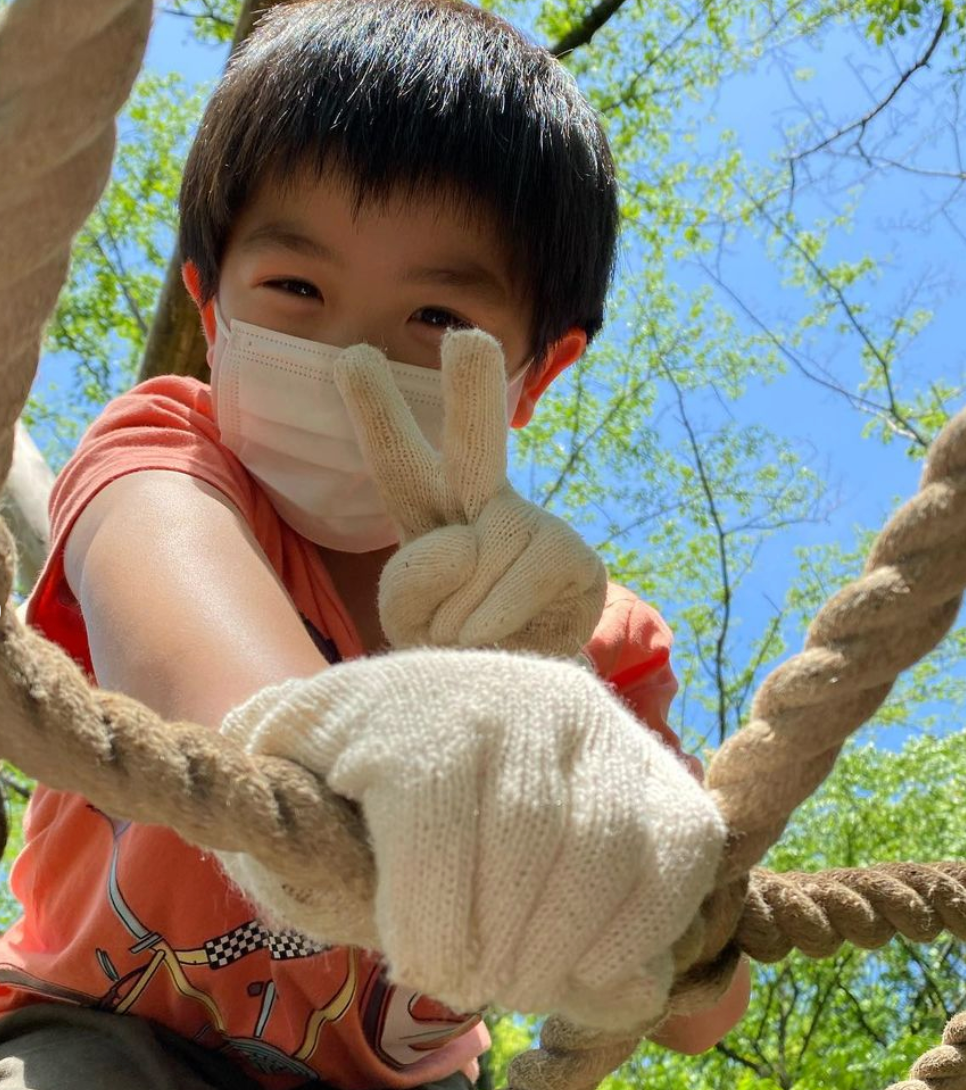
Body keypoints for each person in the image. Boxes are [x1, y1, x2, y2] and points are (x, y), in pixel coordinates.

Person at [0, 1, 749, 1087]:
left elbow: (701, 1008)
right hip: (104, 1034)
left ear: (538, 371)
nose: (352, 361)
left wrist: (553, 706)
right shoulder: (164, 456)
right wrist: (458, 729)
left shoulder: (587, 637)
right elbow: (221, 700)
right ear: (211, 308)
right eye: (297, 288)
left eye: (437, 317)